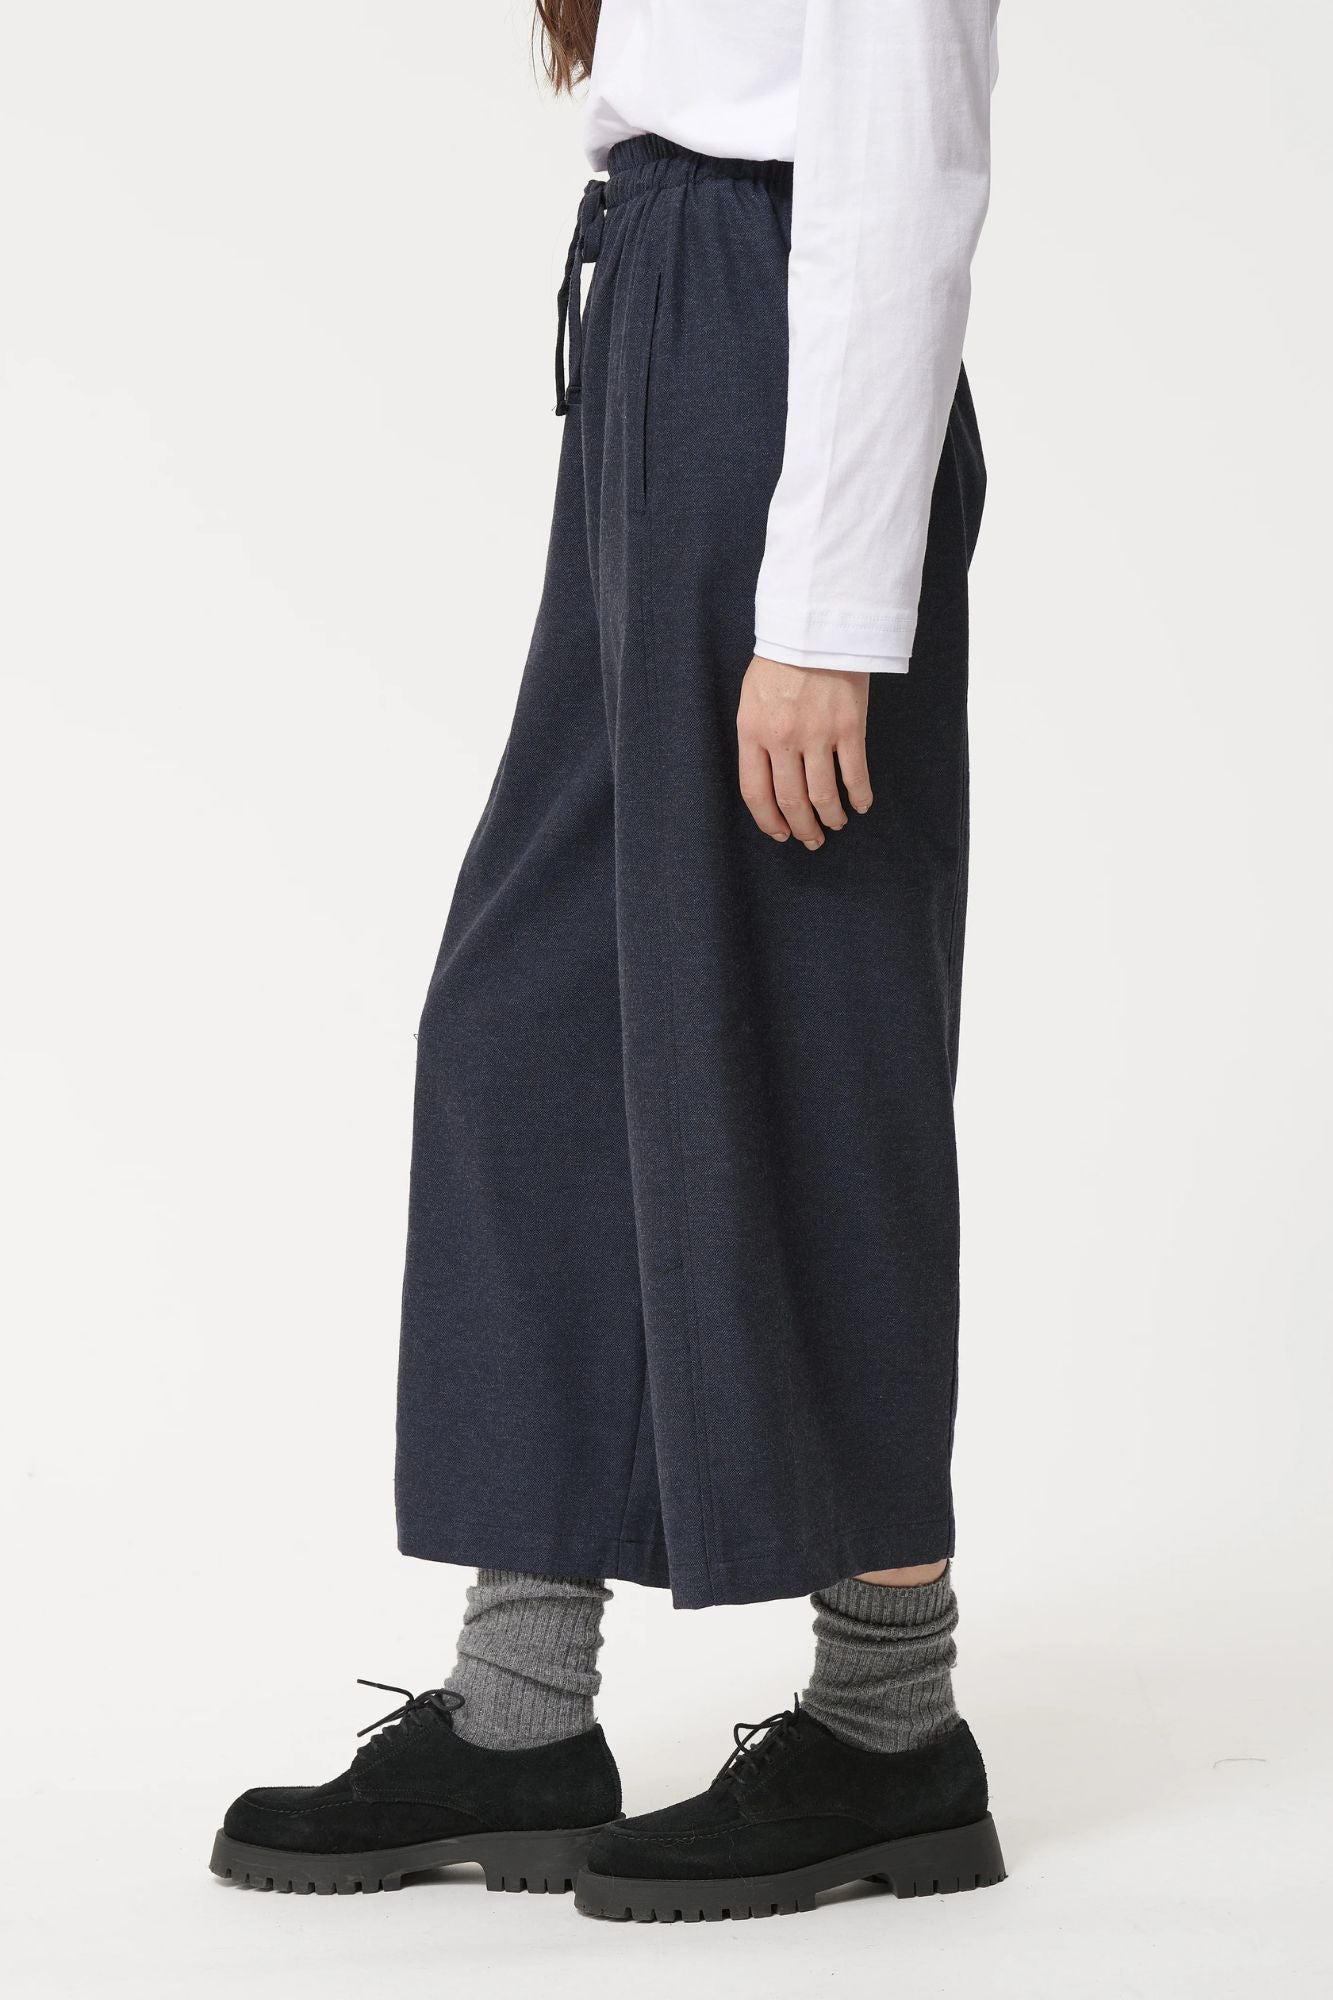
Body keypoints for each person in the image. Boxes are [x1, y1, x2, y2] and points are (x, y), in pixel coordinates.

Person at [210, 0, 1005, 1923]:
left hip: (781, 353)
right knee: (534, 1027)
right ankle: (519, 1718)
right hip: (660, 312)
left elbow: (903, 167)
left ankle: (889, 1723)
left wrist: (827, 606)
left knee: (810, 1034)